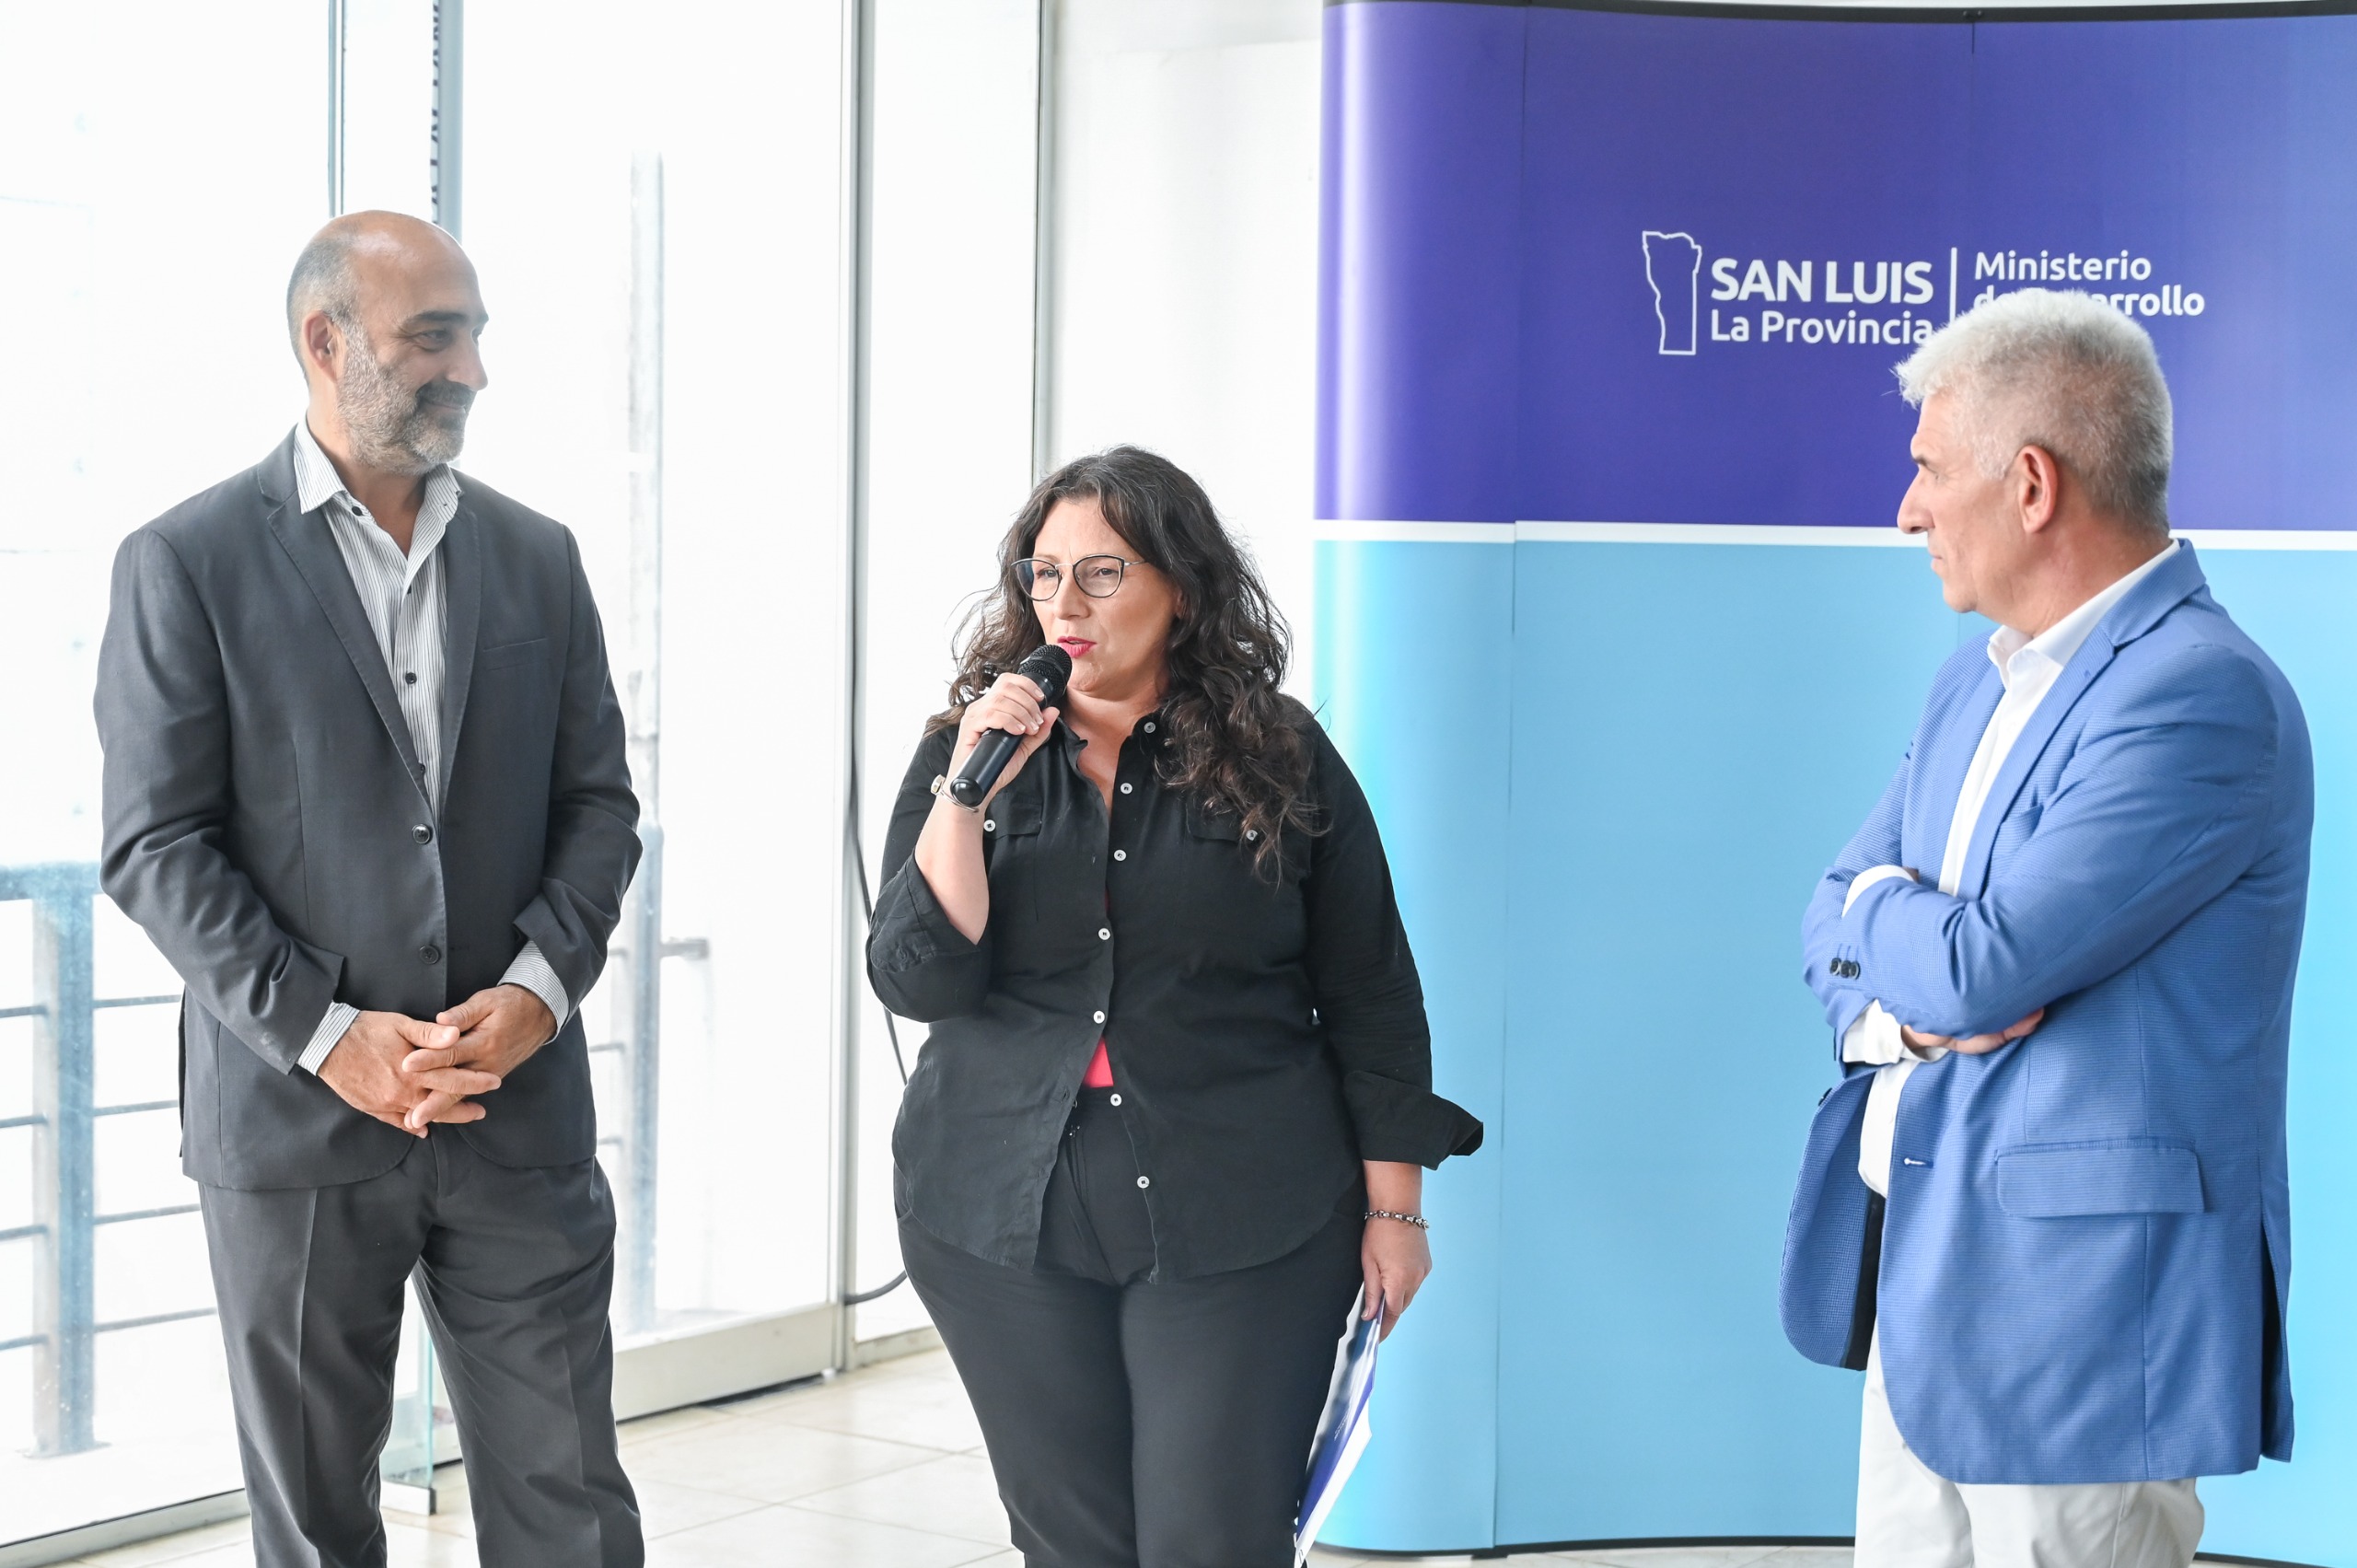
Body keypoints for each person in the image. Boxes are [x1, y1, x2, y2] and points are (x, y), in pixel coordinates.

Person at [96, 213, 644, 1566]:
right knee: (316, 1521)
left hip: (514, 1108)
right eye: (433, 337)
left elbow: (598, 807)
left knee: (571, 1502)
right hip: (297, 1121)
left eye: (475, 335)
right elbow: (156, 844)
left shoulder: (538, 555)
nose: (471, 370)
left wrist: (537, 992)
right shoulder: (187, 561)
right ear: (325, 342)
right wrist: (330, 1033)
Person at [867, 446, 1481, 1568]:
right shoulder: (967, 753)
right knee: (1074, 1541)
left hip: (1243, 1200)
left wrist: (1396, 1213)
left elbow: (1371, 986)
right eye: (1043, 572)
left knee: (1214, 1536)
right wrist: (967, 794)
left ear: (1182, 589)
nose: (1064, 602)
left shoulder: (1281, 755)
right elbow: (920, 980)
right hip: (998, 1201)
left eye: (1101, 572)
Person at [1781, 289, 2310, 1566]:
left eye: (1927, 468)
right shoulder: (1973, 678)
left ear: (2030, 484)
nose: (1906, 508)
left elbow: (1983, 964)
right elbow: (1831, 910)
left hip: (2083, 1324)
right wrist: (1902, 1006)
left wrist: (1895, 922)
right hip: (1924, 1286)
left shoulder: (2202, 696)